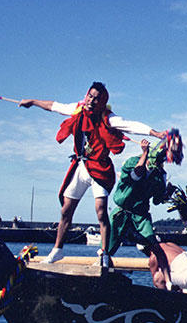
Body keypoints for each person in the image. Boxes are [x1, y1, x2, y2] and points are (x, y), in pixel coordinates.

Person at [19, 82, 166, 264]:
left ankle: (104, 253)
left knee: (101, 211)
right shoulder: (77, 110)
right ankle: (57, 250)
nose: (91, 100)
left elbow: (130, 125)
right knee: (66, 210)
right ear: (86, 95)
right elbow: (53, 106)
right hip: (81, 166)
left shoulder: (108, 118)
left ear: (102, 102)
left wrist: (155, 133)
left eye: (97, 98)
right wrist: (32, 101)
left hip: (100, 169)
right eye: (90, 96)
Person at [106, 137, 179, 271]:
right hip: (121, 213)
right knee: (107, 247)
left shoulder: (159, 175)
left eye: (163, 159)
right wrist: (144, 153)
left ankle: (168, 281)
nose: (159, 161)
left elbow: (157, 200)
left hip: (140, 216)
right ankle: (103, 269)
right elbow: (136, 175)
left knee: (154, 245)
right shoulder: (133, 162)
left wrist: (167, 193)